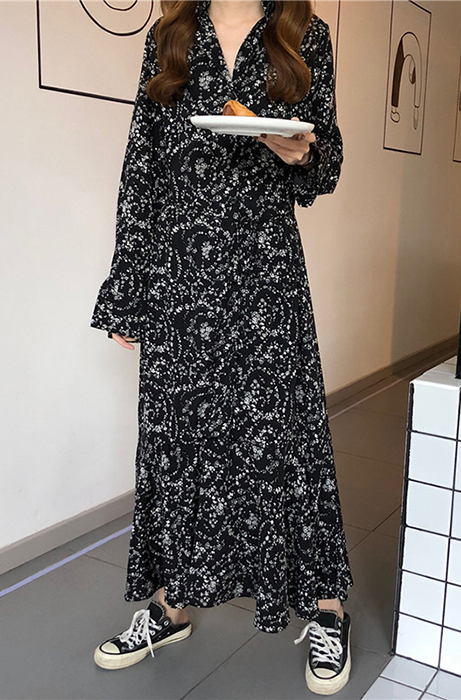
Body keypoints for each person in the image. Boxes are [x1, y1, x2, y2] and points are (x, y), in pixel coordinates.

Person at [89, 0, 353, 694]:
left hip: (265, 270)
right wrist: (129, 285)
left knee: (285, 435)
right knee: (179, 437)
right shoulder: (169, 37)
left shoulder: (305, 36)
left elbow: (325, 166)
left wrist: (301, 151)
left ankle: (327, 607)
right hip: (180, 274)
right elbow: (142, 170)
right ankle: (171, 603)